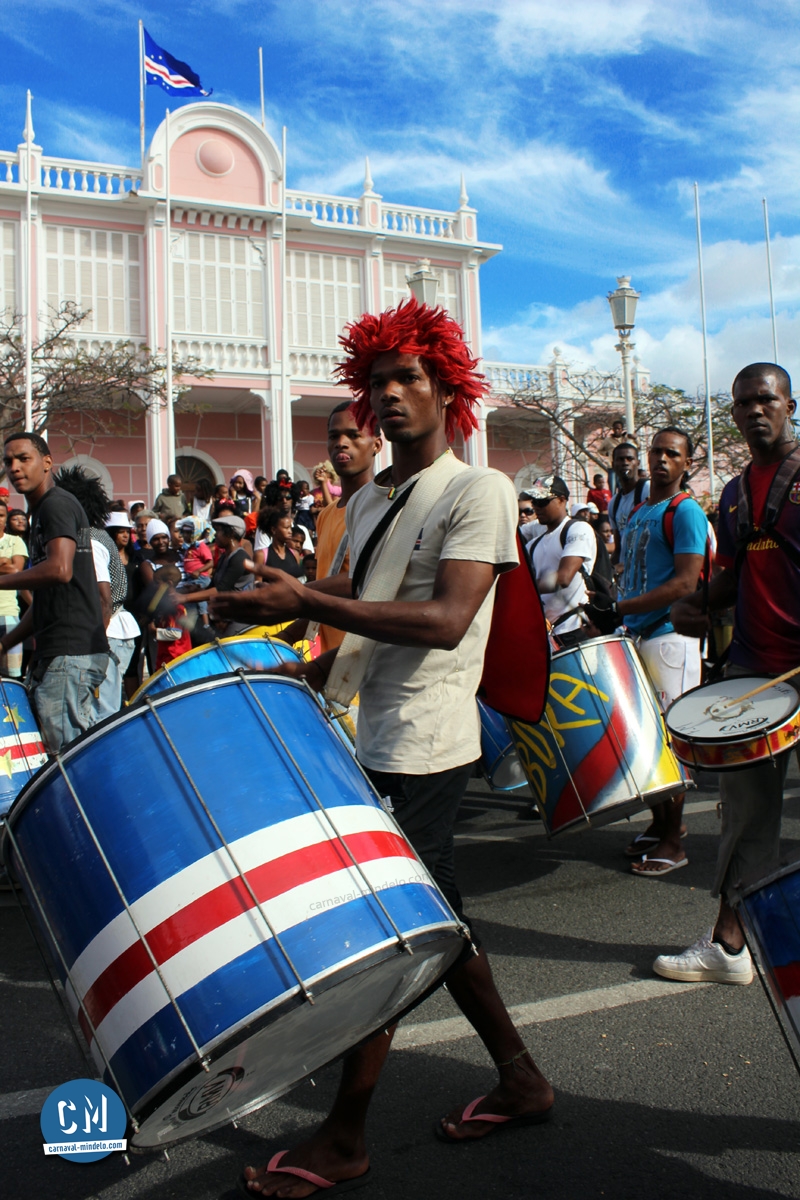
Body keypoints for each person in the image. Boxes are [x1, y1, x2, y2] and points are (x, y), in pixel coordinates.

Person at [211, 297, 553, 1195]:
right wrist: (293, 644)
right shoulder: (367, 499)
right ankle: (521, 1079)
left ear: (448, 389)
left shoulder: (481, 491)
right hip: (368, 734)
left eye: (408, 378)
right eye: (377, 382)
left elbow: (445, 620)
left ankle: (346, 1136)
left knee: (395, 932)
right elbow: (364, 612)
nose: (390, 394)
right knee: (439, 920)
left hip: (429, 741)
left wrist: (308, 600)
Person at [653, 363, 800, 984]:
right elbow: (735, 574)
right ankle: (730, 946)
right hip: (754, 672)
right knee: (744, 815)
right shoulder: (736, 492)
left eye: (766, 399)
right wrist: (698, 604)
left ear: (790, 404)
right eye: (743, 403)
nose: (754, 411)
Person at [609, 429, 708, 876]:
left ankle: (674, 841)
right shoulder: (639, 510)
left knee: (672, 741)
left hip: (671, 638)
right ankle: (660, 824)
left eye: (673, 453)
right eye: (657, 451)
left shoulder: (685, 510)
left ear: (686, 463)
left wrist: (621, 608)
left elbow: (686, 582)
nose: (662, 459)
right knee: (646, 738)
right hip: (637, 635)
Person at [0, 433, 108, 753]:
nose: (14, 467)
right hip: (62, 653)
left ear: (47, 463)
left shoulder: (55, 504)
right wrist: (5, 643)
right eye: (8, 461)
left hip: (69, 653)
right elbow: (47, 602)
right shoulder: (43, 512)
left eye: (24, 458)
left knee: (67, 756)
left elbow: (60, 570)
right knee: (64, 754)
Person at [276, 400, 383, 655]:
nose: (341, 443)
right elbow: (326, 595)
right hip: (333, 661)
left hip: (369, 661)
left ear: (376, 445)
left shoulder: (383, 508)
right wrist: (284, 637)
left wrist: (294, 592)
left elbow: (365, 582)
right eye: (334, 436)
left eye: (353, 435)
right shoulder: (325, 515)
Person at [54, 466, 140, 720]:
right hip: (105, 633)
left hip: (106, 634)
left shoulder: (89, 541)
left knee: (102, 713)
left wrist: (95, 644)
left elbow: (104, 598)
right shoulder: (88, 536)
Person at [527, 475, 597, 647]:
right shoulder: (533, 545)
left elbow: (564, 578)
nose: (536, 507)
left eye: (542, 501)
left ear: (562, 500)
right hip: (547, 635)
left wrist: (526, 588)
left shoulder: (577, 529)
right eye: (534, 502)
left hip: (576, 629)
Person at [608, 442, 650, 569]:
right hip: (626, 576)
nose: (625, 463)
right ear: (613, 465)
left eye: (630, 459)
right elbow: (618, 549)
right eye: (620, 459)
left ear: (638, 463)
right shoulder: (614, 503)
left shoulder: (647, 490)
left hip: (647, 571)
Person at [0, 500, 29, 678]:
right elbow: (8, 568)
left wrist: (9, 565)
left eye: (1, 515)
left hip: (8, 614)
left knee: (11, 676)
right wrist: (4, 561)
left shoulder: (15, 541)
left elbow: (15, 571)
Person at [151, 564, 192, 668]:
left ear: (169, 584)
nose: (154, 586)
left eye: (157, 583)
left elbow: (175, 633)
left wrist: (155, 631)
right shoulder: (166, 604)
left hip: (175, 658)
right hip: (167, 656)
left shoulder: (175, 607)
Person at [598, 419, 637, 492]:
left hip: (624, 466)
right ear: (613, 429)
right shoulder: (608, 440)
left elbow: (637, 446)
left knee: (623, 486)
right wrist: (607, 453)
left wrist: (635, 438)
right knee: (612, 487)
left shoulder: (626, 439)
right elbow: (599, 450)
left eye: (618, 429)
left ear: (621, 429)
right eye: (615, 428)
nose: (617, 430)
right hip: (612, 467)